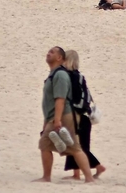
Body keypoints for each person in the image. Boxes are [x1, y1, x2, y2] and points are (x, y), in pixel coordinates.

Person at [38, 46, 93, 183]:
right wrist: (46, 121)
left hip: (63, 115)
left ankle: (88, 178)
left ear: (59, 58)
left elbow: (60, 99)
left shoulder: (60, 75)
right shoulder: (54, 74)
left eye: (52, 52)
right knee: (50, 145)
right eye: (48, 51)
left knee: (72, 147)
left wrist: (57, 120)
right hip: (55, 116)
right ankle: (88, 178)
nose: (48, 53)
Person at [62, 50, 103, 180]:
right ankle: (76, 174)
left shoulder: (68, 77)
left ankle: (97, 166)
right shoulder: (79, 76)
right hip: (85, 115)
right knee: (78, 144)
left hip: (76, 115)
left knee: (76, 145)